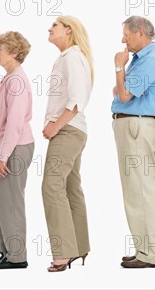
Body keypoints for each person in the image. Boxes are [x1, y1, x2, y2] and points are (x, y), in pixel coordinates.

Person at [113, 16, 155, 269]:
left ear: (141, 33)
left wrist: (118, 68)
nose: (123, 39)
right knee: (134, 189)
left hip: (136, 125)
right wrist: (122, 81)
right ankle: (143, 248)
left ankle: (151, 254)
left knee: (140, 189)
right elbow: (121, 92)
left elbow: (122, 94)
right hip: (132, 123)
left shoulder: (150, 60)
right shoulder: (140, 60)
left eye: (126, 34)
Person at [42, 15, 94, 272]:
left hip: (67, 131)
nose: (49, 29)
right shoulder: (73, 57)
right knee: (71, 188)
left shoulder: (72, 57)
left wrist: (54, 125)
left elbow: (75, 101)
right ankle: (79, 247)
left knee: (51, 187)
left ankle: (62, 253)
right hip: (76, 131)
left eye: (54, 25)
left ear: (69, 30)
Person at [0, 31, 34, 270]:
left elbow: (15, 123)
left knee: (11, 202)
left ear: (14, 53)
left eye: (1, 49)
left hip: (15, 148)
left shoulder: (16, 80)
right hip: (4, 147)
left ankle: (17, 257)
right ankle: (7, 252)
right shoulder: (9, 78)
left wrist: (3, 155)